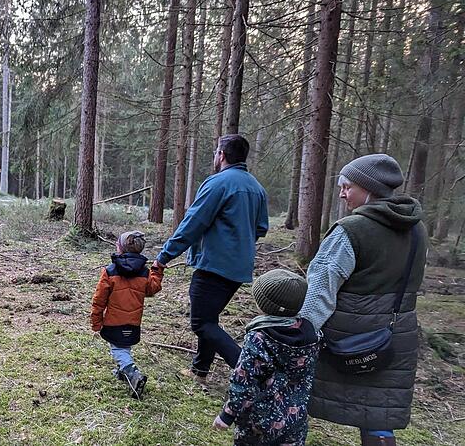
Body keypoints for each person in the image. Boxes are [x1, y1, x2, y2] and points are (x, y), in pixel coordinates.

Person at [298, 154, 428, 446]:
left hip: (350, 337)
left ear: (368, 188)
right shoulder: (417, 229)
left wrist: (301, 332)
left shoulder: (351, 230)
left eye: (348, 186)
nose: (342, 193)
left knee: (296, 400)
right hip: (396, 334)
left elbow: (320, 290)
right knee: (378, 414)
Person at [154, 134, 269, 382]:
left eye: (217, 152)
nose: (215, 156)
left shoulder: (218, 183)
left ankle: (250, 372)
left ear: (222, 155)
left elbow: (193, 223)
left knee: (201, 323)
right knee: (210, 318)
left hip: (214, 266)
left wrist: (164, 256)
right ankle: (200, 369)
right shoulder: (257, 188)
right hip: (239, 268)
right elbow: (260, 228)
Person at [213, 269, 321, 446]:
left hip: (258, 422)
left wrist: (228, 414)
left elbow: (244, 381)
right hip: (295, 420)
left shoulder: (259, 338)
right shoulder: (311, 334)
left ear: (264, 305)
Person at [90, 231, 164, 398]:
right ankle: (123, 372)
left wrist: (96, 321)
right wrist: (157, 270)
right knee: (124, 347)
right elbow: (152, 289)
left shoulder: (110, 271)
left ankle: (133, 374)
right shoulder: (145, 273)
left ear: (120, 248)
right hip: (133, 323)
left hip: (114, 323)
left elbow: (99, 299)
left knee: (118, 349)